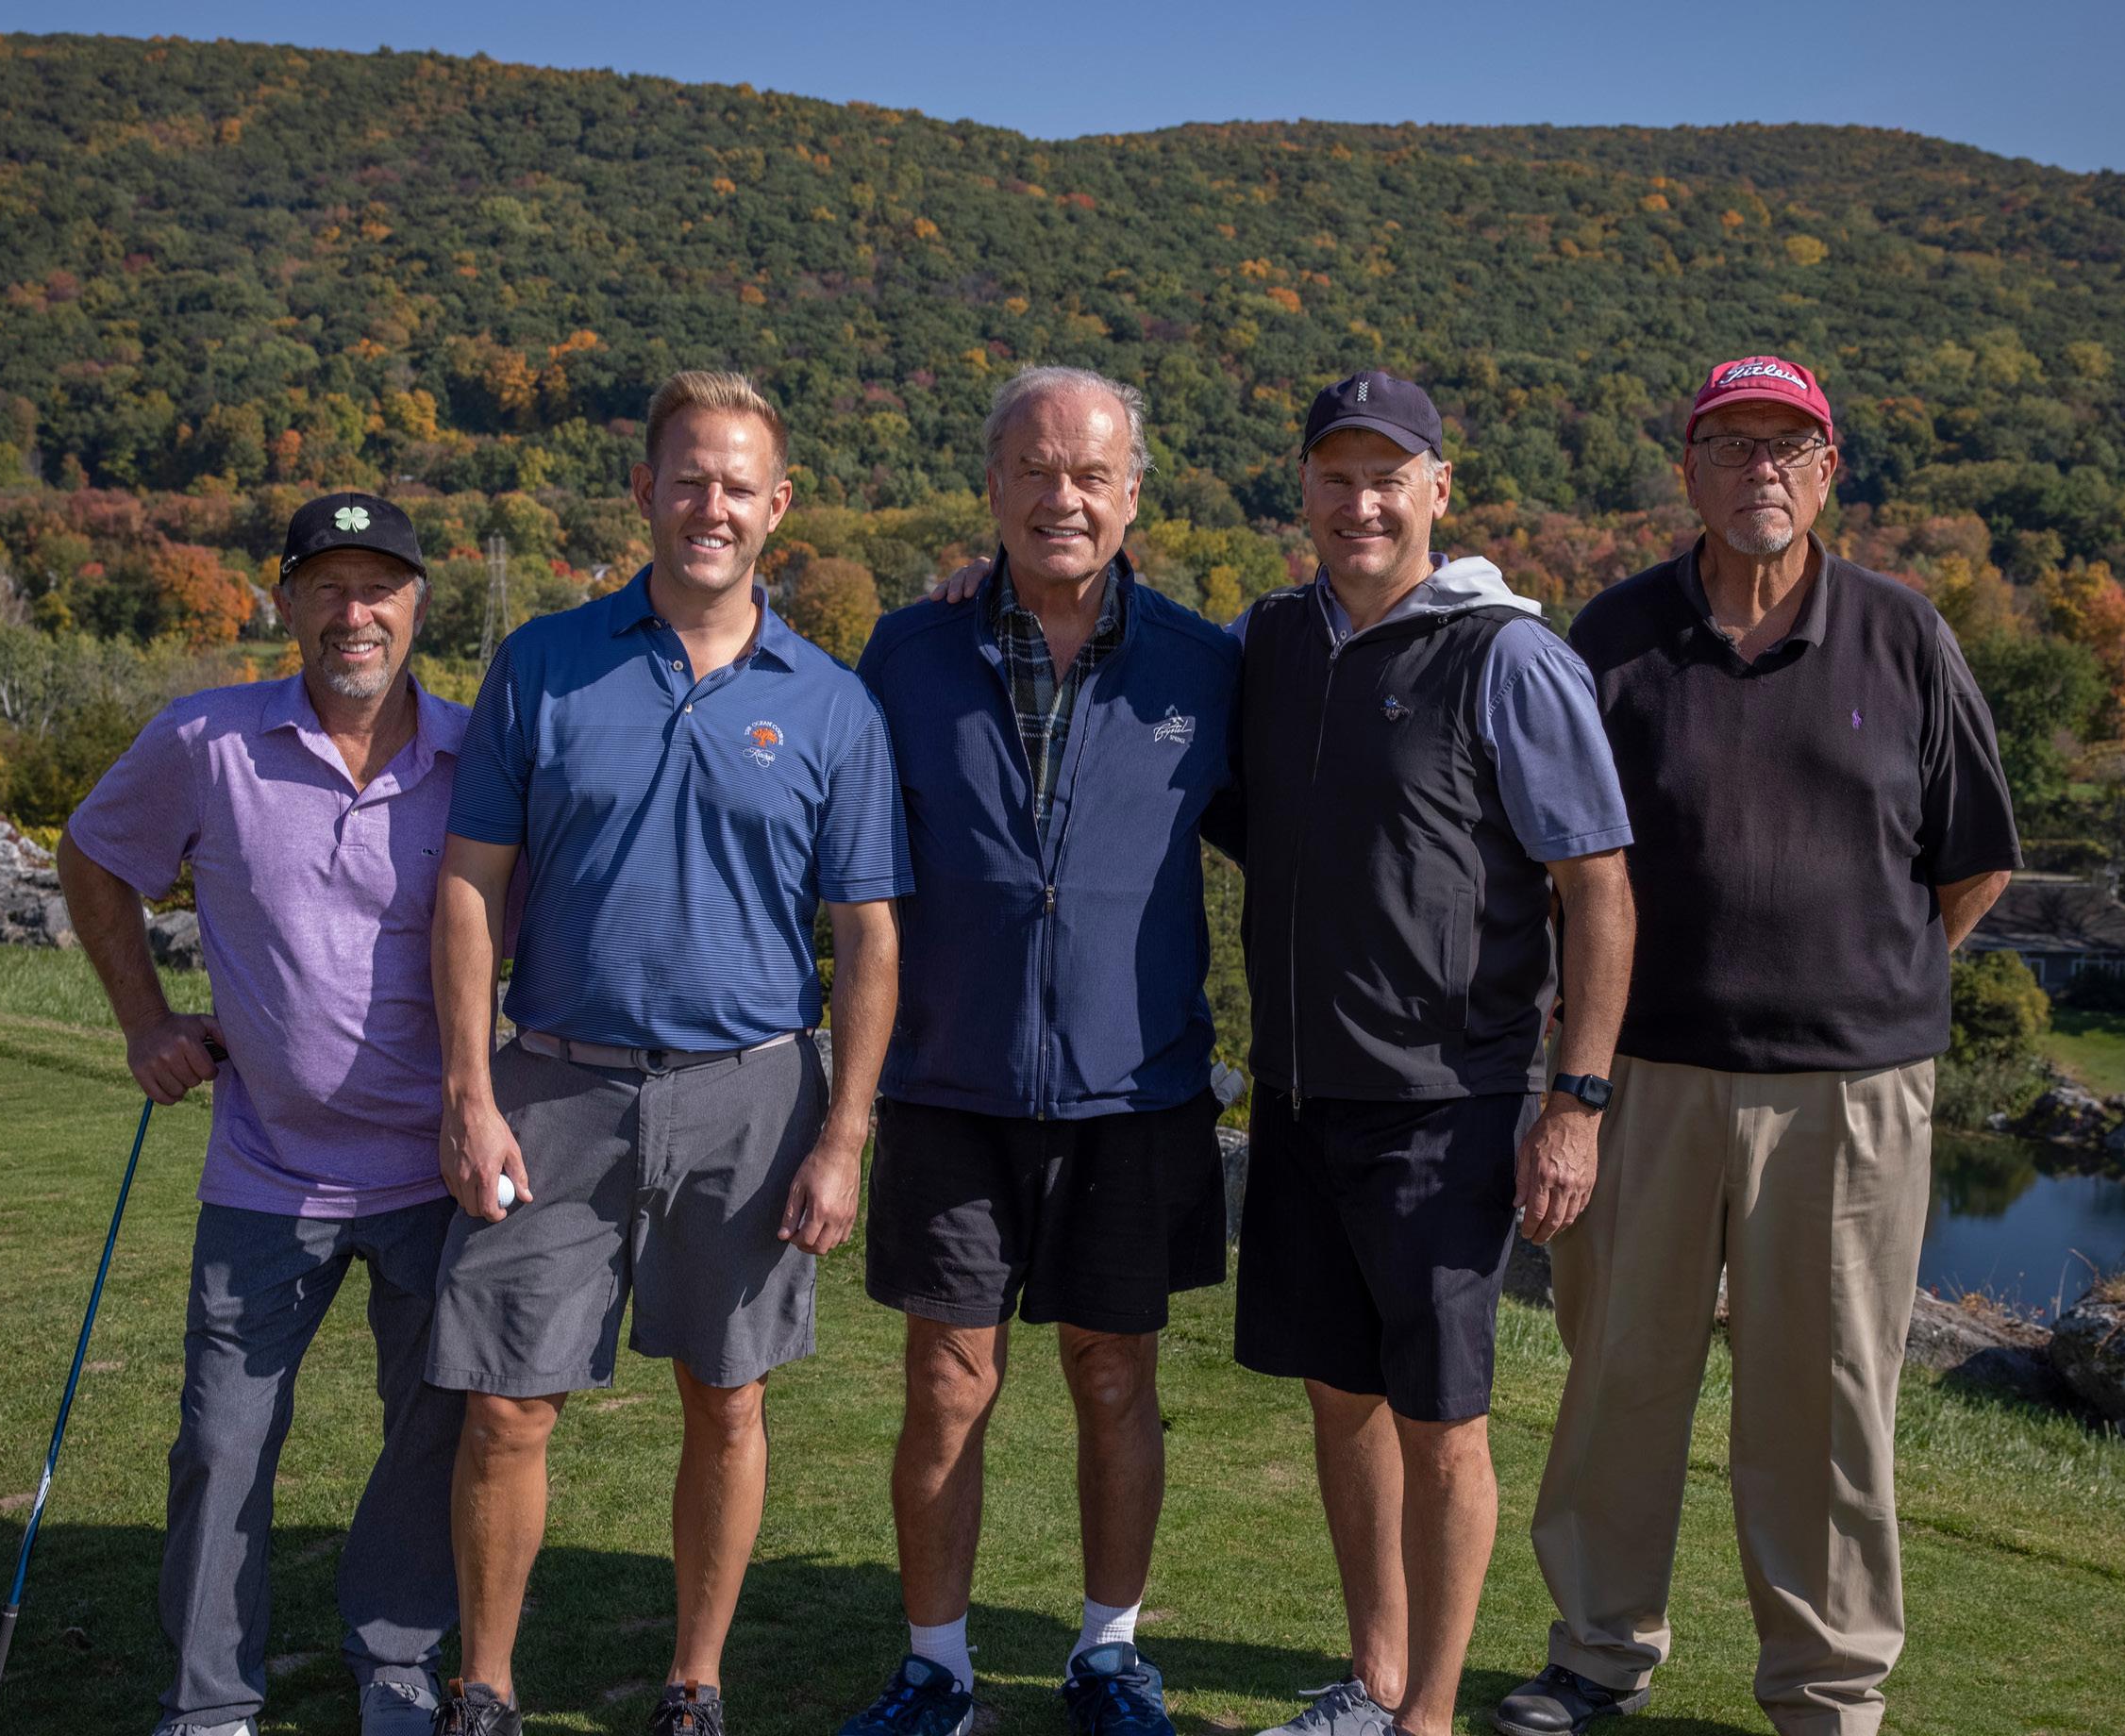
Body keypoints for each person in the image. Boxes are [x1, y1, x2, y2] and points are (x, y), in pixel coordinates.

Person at [1504, 355, 2017, 1736]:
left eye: (1787, 447)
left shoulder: (1903, 635)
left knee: (1828, 1404)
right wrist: (1573, 1082)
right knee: (1620, 1381)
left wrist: (1864, 979)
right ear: (1690, 470)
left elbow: (1974, 861)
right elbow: (1555, 864)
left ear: (1828, 471)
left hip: (1849, 1094)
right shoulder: (1613, 639)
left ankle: (1828, 1689)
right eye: (1731, 446)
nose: (1760, 471)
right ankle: (1597, 1653)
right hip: (1645, 1079)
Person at [425, 372, 911, 1736]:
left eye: (738, 486)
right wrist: (470, 1090)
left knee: (728, 1399)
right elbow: (469, 886)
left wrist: (844, 1136)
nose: (711, 506)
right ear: (644, 491)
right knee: (507, 1406)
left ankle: (696, 1683)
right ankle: (484, 1687)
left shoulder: (833, 705)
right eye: (687, 479)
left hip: (754, 1094)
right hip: (555, 1085)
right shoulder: (544, 662)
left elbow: (869, 937)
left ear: (779, 507)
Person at [837, 367, 1242, 1736]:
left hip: (1135, 1088)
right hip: (950, 1081)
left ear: (1134, 495)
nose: (1062, 496)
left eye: (1091, 474)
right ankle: (937, 1670)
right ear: (993, 485)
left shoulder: (1204, 664)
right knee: (947, 1383)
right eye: (1035, 469)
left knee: (1114, 1375)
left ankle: (1109, 1657)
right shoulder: (907, 654)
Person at [1231, 372, 1635, 1736]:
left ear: (1438, 490)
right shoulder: (1274, 640)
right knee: (1339, 1397)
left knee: (1442, 1420)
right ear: (1304, 489)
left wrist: (1576, 1101)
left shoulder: (1505, 655)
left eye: (1388, 478)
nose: (1362, 503)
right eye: (1337, 477)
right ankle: (1377, 1680)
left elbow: (1598, 889)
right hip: (1300, 1095)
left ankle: (1431, 1719)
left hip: (1447, 1104)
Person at [57, 491, 469, 1736]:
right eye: (327, 586)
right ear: (284, 600)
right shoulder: (206, 740)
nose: (356, 613)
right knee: (221, 1443)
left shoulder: (476, 753)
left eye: (379, 587)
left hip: (436, 1173)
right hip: (266, 1170)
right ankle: (210, 1701)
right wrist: (146, 1021)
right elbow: (94, 856)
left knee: (434, 1435)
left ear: (417, 605)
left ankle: (397, 1660)